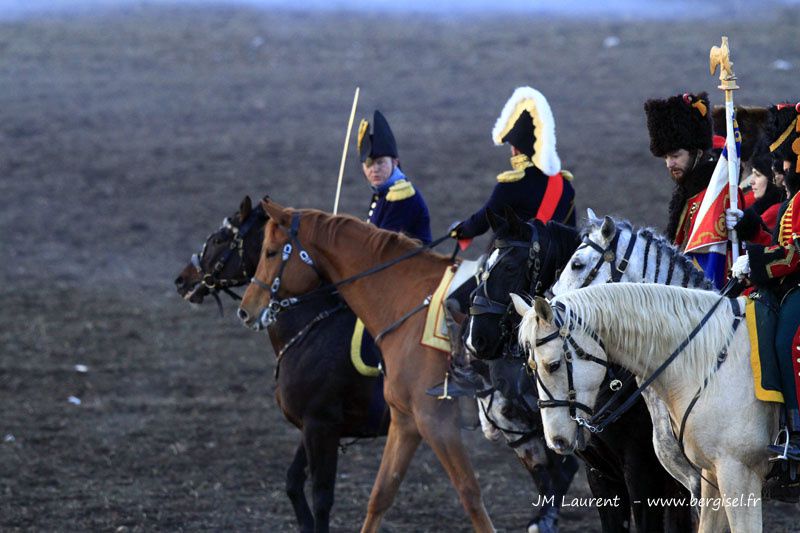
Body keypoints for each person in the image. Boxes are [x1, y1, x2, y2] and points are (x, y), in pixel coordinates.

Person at [731, 102, 800, 466]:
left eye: (786, 162)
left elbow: (792, 256)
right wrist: (749, 229)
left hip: (798, 286)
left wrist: (755, 262)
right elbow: (777, 242)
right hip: (787, 286)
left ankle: (796, 430)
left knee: (787, 342)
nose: (781, 168)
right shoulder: (793, 199)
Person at [450, 86, 576, 241]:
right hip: (557, 263)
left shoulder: (511, 185)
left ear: (516, 150)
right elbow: (572, 233)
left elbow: (482, 222)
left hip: (517, 263)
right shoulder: (564, 185)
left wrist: (459, 230)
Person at [644, 92, 718, 247]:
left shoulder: (717, 191)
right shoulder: (684, 193)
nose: (669, 164)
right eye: (666, 158)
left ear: (697, 152)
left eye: (675, 156)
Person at [358, 110, 432, 244]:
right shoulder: (383, 191)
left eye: (380, 162)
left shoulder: (401, 195)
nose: (374, 169)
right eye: (369, 164)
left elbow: (381, 245)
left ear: (394, 162)